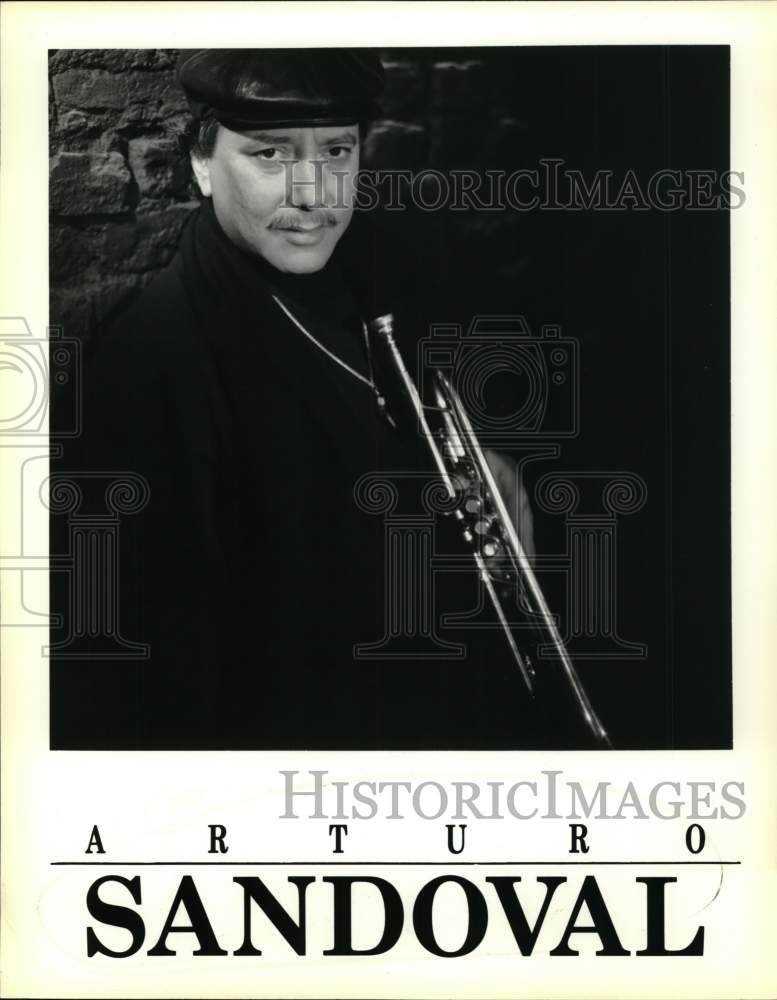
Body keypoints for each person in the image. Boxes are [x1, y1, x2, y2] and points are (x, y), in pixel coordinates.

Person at [50, 49, 558, 751]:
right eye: (269, 155)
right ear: (200, 163)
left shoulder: (375, 275)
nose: (315, 192)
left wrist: (482, 480)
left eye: (338, 150)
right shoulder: (151, 368)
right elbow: (161, 696)